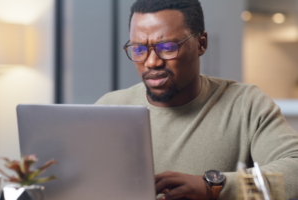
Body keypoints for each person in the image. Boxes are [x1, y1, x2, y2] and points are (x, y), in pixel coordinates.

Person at [96, 0, 298, 199]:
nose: (151, 62)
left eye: (167, 47)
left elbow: (294, 170)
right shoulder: (108, 108)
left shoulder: (246, 105)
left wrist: (212, 187)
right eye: (139, 49)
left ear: (201, 43)